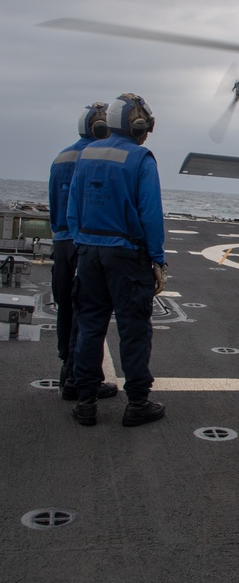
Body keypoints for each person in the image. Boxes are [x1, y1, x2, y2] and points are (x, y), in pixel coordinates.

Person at [67, 93, 168, 427]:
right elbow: (151, 214)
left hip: (89, 253)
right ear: (137, 124)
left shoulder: (86, 155)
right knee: (134, 329)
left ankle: (85, 402)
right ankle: (137, 403)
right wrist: (157, 259)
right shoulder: (140, 158)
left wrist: (84, 243)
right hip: (126, 257)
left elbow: (72, 210)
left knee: (89, 326)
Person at [47, 103, 119, 402]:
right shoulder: (96, 158)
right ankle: (80, 378)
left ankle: (67, 369)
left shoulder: (60, 157)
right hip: (84, 243)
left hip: (61, 243)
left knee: (66, 307)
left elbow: (54, 204)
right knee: (88, 313)